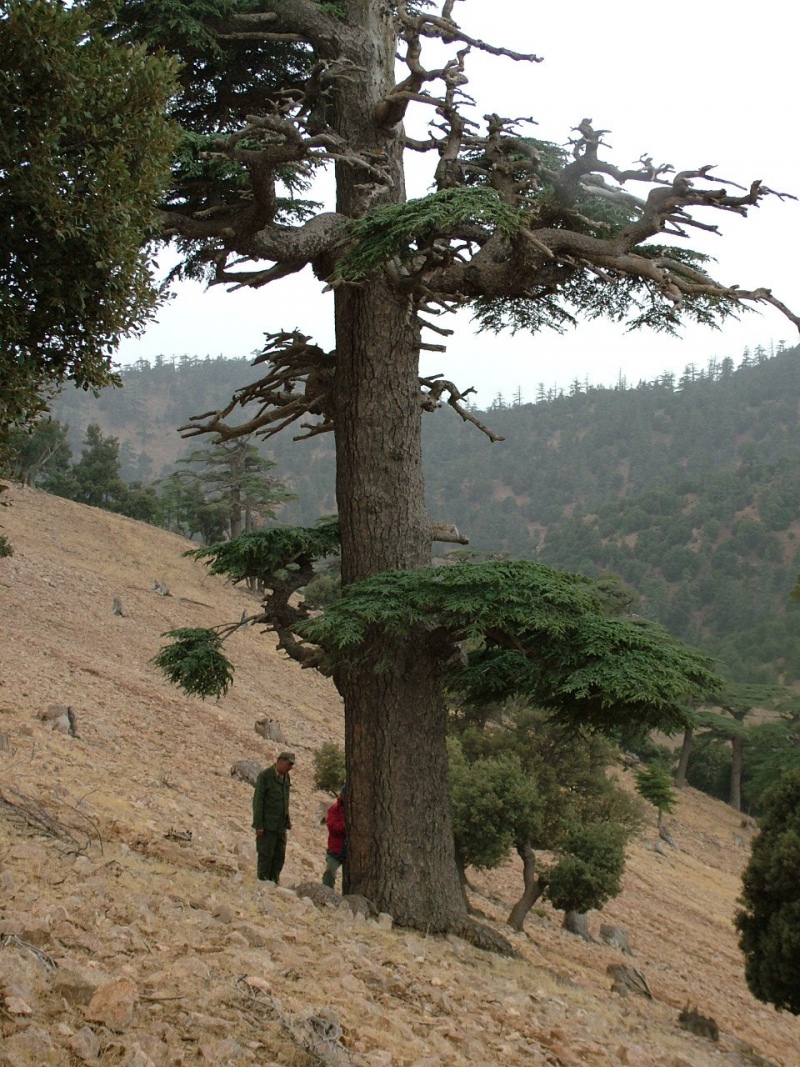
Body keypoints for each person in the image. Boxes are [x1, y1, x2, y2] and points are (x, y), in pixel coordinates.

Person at [252, 752, 294, 883]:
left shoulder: (286, 777)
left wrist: (287, 820)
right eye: (289, 764)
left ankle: (274, 882)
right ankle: (263, 883)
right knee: (266, 855)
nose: (290, 767)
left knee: (279, 856)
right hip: (267, 826)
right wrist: (258, 825)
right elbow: (258, 802)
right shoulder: (265, 776)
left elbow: (285, 800)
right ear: (280, 761)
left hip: (280, 826)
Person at [322, 784, 347, 892]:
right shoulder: (334, 809)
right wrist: (345, 825)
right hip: (335, 850)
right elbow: (332, 827)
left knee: (348, 880)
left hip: (350, 851)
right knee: (329, 873)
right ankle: (327, 893)